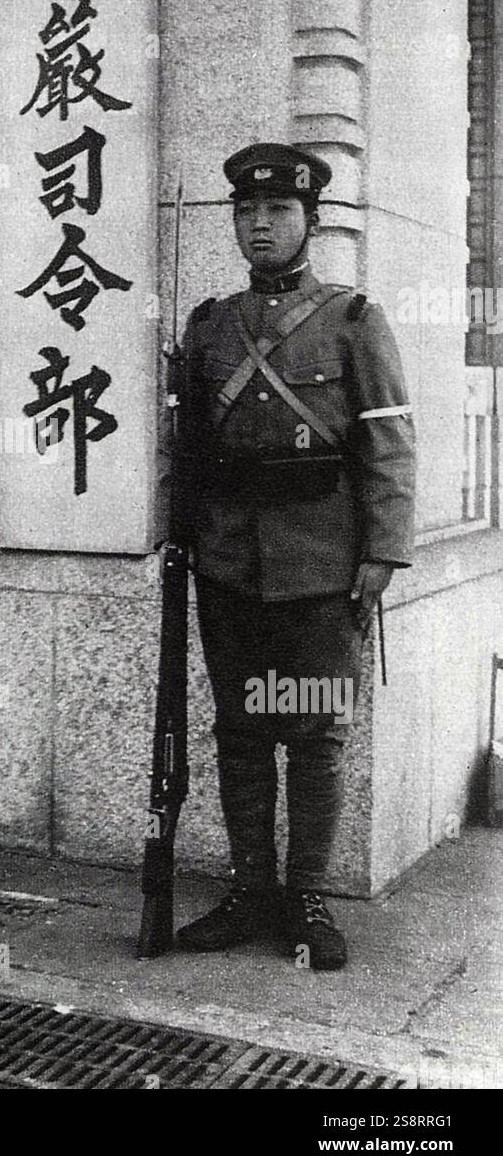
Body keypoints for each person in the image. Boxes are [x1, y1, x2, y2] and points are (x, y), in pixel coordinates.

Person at [174, 143, 416, 969]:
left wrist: (381, 551)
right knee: (240, 731)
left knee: (312, 733)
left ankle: (306, 898)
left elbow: (389, 442)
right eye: (246, 213)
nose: (260, 225)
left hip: (318, 567)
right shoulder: (208, 326)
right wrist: (181, 543)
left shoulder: (352, 320)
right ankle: (249, 892)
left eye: (277, 212)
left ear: (310, 221)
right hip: (229, 565)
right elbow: (188, 449)